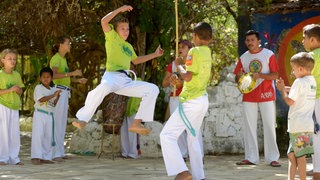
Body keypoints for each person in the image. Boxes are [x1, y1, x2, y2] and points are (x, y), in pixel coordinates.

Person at [73, 5, 164, 135]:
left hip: (125, 80)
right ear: (116, 30)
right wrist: (120, 10)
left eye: (127, 29)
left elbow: (136, 60)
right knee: (102, 88)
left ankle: (136, 123)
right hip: (111, 76)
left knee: (153, 89)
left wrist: (155, 55)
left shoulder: (128, 46)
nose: (126, 31)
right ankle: (83, 119)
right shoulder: (112, 38)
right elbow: (104, 21)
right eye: (122, 28)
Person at [160, 22, 212, 180]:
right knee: (193, 138)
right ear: (209, 38)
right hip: (202, 100)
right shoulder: (207, 51)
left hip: (190, 102)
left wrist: (178, 66)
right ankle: (199, 176)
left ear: (195, 37)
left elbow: (188, 76)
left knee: (166, 135)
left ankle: (182, 172)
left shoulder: (194, 52)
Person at [233, 30, 281, 167]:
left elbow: (276, 75)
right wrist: (239, 76)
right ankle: (251, 157)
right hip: (249, 96)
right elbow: (236, 77)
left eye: (252, 40)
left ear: (258, 41)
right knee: (249, 127)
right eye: (247, 40)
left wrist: (260, 75)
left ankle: (272, 158)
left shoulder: (268, 54)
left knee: (269, 125)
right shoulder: (243, 58)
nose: (249, 42)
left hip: (266, 95)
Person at [276, 52, 316, 180]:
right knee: (293, 156)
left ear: (300, 69)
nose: (292, 72)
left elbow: (290, 101)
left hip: (297, 126)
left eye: (293, 69)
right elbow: (298, 92)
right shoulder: (312, 81)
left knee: (300, 158)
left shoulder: (299, 82)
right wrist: (285, 88)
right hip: (307, 125)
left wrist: (282, 90)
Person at [162, 40, 203, 160]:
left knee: (194, 126)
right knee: (177, 127)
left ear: (190, 49)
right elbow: (164, 83)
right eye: (179, 47)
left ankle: (198, 155)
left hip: (191, 97)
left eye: (183, 47)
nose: (180, 49)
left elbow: (194, 81)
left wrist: (181, 82)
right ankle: (183, 153)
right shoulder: (173, 64)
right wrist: (170, 79)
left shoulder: (195, 63)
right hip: (176, 98)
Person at [50, 36, 88, 162]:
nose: (70, 45)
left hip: (64, 92)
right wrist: (72, 73)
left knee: (61, 123)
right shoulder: (56, 58)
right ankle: (54, 153)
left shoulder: (63, 59)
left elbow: (64, 78)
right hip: (58, 92)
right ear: (61, 44)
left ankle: (60, 152)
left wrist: (77, 79)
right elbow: (53, 76)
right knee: (57, 123)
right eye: (68, 43)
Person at [31, 67, 61, 165]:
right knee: (38, 135)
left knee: (48, 136)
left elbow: (53, 104)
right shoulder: (38, 88)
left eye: (48, 77)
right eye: (43, 77)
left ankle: (46, 157)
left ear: (51, 78)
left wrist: (57, 97)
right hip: (40, 113)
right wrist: (53, 95)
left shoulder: (52, 90)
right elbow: (41, 100)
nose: (46, 79)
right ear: (40, 78)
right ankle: (36, 156)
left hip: (49, 115)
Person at [302, 24, 320, 179]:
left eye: (304, 38)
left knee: (316, 135)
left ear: (313, 40)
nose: (302, 41)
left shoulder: (312, 57)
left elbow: (306, 77)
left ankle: (317, 170)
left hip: (316, 99)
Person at [0, 49, 24, 166]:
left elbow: (20, 91)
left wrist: (18, 90)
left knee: (14, 133)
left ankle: (14, 158)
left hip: (14, 106)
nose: (12, 61)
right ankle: (2, 158)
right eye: (9, 58)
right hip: (3, 106)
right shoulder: (0, 74)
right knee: (3, 132)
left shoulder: (17, 75)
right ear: (3, 60)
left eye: (14, 59)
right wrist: (10, 90)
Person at [120, 94, 141, 159]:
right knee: (123, 131)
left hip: (134, 106)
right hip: (124, 106)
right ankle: (125, 152)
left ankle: (133, 153)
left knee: (133, 131)